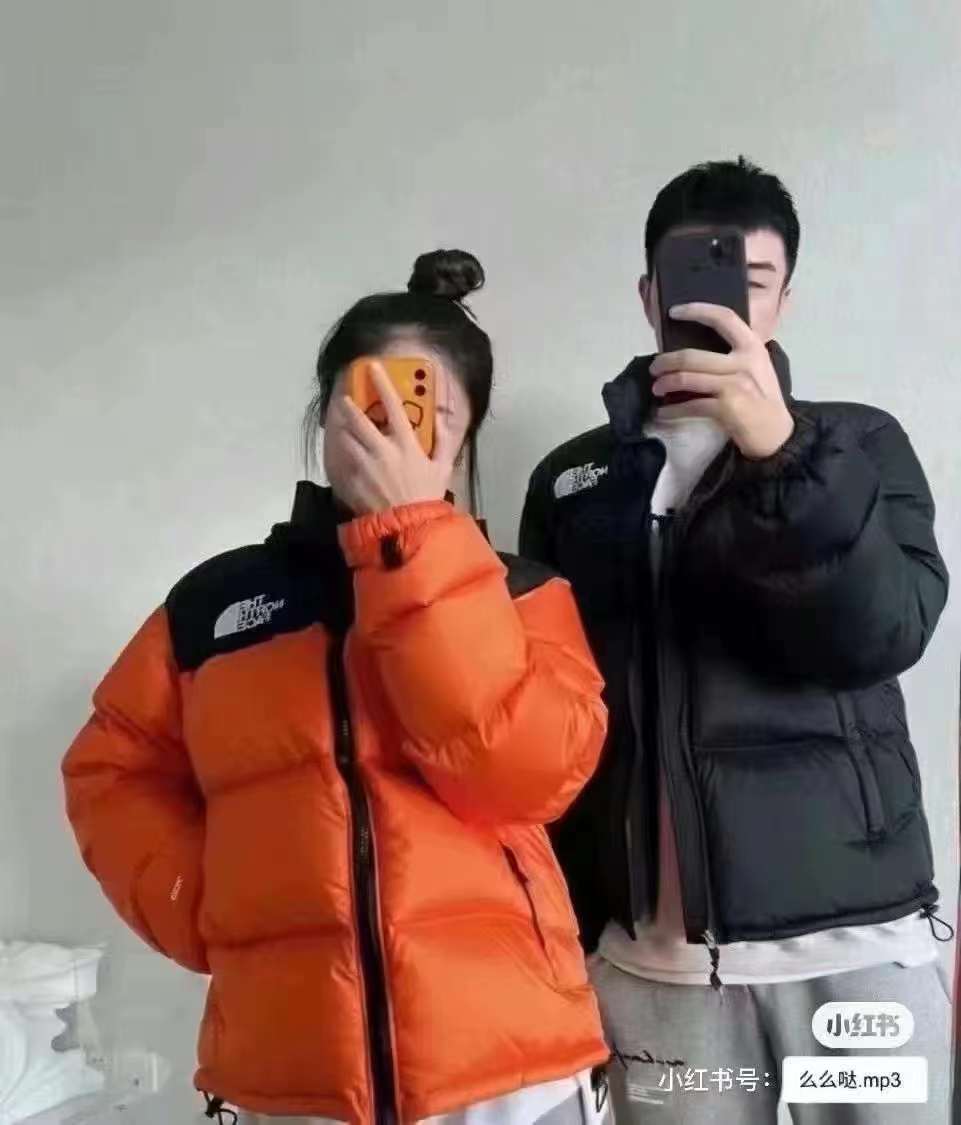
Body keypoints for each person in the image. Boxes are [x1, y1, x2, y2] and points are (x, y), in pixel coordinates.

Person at [62, 250, 612, 1125]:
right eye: (368, 402)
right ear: (325, 415)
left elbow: (520, 776)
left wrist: (412, 542)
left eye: (425, 409)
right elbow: (109, 770)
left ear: (464, 435)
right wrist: (208, 904)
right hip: (293, 1077)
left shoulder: (523, 594)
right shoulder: (215, 606)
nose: (391, 431)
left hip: (508, 1072)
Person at [520, 159, 952, 1123]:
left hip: (853, 954)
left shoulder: (855, 443)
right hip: (656, 969)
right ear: (649, 296)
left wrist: (780, 453)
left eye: (751, 283)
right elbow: (556, 713)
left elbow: (883, 630)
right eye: (695, 282)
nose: (724, 307)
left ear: (782, 300)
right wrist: (570, 925)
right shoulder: (573, 480)